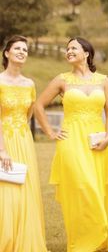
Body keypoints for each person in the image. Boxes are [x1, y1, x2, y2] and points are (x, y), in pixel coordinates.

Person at [34, 37, 108, 252]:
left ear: (86, 53)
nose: (68, 51)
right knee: (81, 186)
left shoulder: (103, 80)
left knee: (97, 187)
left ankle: (100, 238)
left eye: (73, 48)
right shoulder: (62, 79)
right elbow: (39, 106)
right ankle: (87, 238)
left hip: (96, 140)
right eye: (67, 49)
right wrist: (50, 132)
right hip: (71, 140)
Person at [0, 35, 48, 251]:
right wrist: (2, 149)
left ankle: (25, 241)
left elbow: (28, 115)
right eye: (17, 48)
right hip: (3, 140)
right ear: (7, 53)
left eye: (25, 50)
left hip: (24, 141)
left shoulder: (30, 84)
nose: (22, 52)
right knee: (6, 191)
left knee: (25, 189)